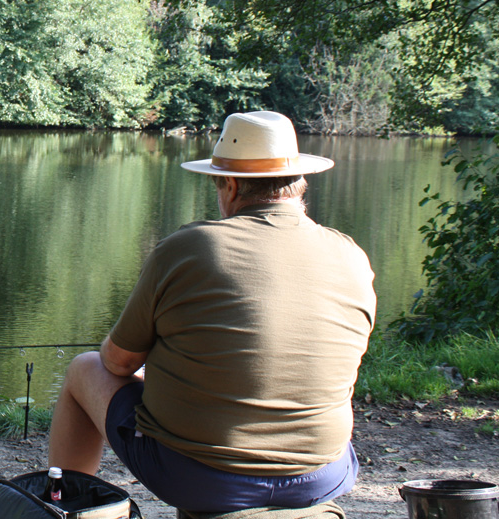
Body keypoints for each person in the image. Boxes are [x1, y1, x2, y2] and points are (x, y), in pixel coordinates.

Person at [48, 111, 376, 514]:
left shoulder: (190, 248)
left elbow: (117, 362)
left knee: (86, 368)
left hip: (202, 478)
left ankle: (67, 508)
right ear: (299, 181)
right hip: (324, 472)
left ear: (231, 185)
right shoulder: (352, 255)